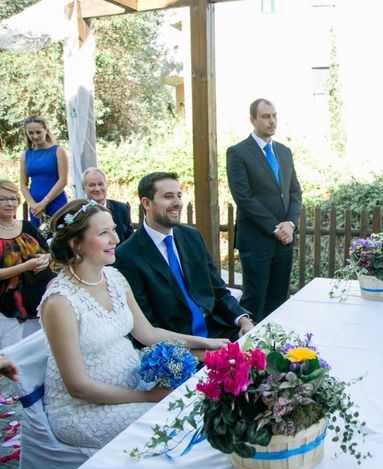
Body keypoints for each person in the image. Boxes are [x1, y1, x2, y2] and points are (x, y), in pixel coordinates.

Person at [39, 199, 229, 450]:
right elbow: (78, 387)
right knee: (179, 423)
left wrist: (206, 343)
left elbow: (148, 333)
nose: (116, 239)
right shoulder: (60, 303)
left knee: (202, 402)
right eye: (103, 233)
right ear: (76, 244)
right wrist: (149, 398)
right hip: (85, 410)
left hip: (134, 382)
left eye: (114, 229)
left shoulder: (114, 277)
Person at [114, 172, 254, 342]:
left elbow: (218, 289)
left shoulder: (191, 236)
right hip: (178, 346)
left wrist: (243, 320)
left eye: (179, 195)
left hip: (218, 330)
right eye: (168, 196)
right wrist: (203, 350)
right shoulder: (127, 255)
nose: (177, 203)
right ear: (147, 203)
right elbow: (147, 325)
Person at [226, 99, 302, 321]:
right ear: (253, 120)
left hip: (284, 241)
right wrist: (274, 227)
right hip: (256, 240)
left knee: (279, 299)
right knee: (255, 298)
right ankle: (247, 350)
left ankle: (276, 349)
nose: (272, 121)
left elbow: (294, 192)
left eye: (274, 116)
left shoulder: (284, 152)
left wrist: (290, 224)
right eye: (266, 116)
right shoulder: (238, 153)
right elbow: (243, 197)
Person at [0, 180, 55, 321]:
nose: (9, 204)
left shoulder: (27, 226)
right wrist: (26, 266)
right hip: (11, 295)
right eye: (2, 199)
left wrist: (46, 259)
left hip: (42, 282)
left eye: (13, 198)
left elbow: (50, 252)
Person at [20, 115, 68, 228]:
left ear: (45, 131)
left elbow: (63, 181)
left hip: (56, 202)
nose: (35, 136)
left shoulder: (58, 151)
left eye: (38, 132)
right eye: (31, 133)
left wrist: (44, 203)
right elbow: (23, 183)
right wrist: (33, 205)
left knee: (58, 236)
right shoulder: (26, 155)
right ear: (26, 133)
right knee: (38, 239)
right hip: (35, 207)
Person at [82, 167, 134, 242]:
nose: (97, 189)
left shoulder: (122, 209)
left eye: (100, 184)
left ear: (106, 185)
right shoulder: (78, 212)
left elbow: (130, 239)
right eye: (92, 185)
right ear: (84, 188)